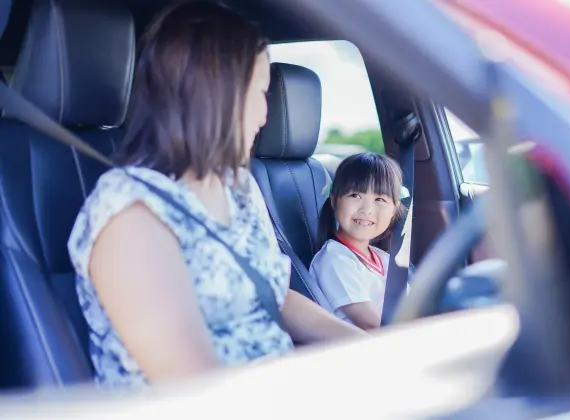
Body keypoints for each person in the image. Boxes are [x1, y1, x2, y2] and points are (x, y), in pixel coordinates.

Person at [67, 1, 364, 388]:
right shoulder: (131, 215)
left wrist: (373, 351)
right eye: (260, 93)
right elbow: (195, 389)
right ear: (218, 94)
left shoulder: (238, 186)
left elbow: (275, 295)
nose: (265, 113)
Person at [310, 153, 409, 330]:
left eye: (380, 199)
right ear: (334, 200)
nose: (367, 209)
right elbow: (371, 323)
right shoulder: (335, 259)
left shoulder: (383, 258)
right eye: (355, 195)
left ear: (394, 209)